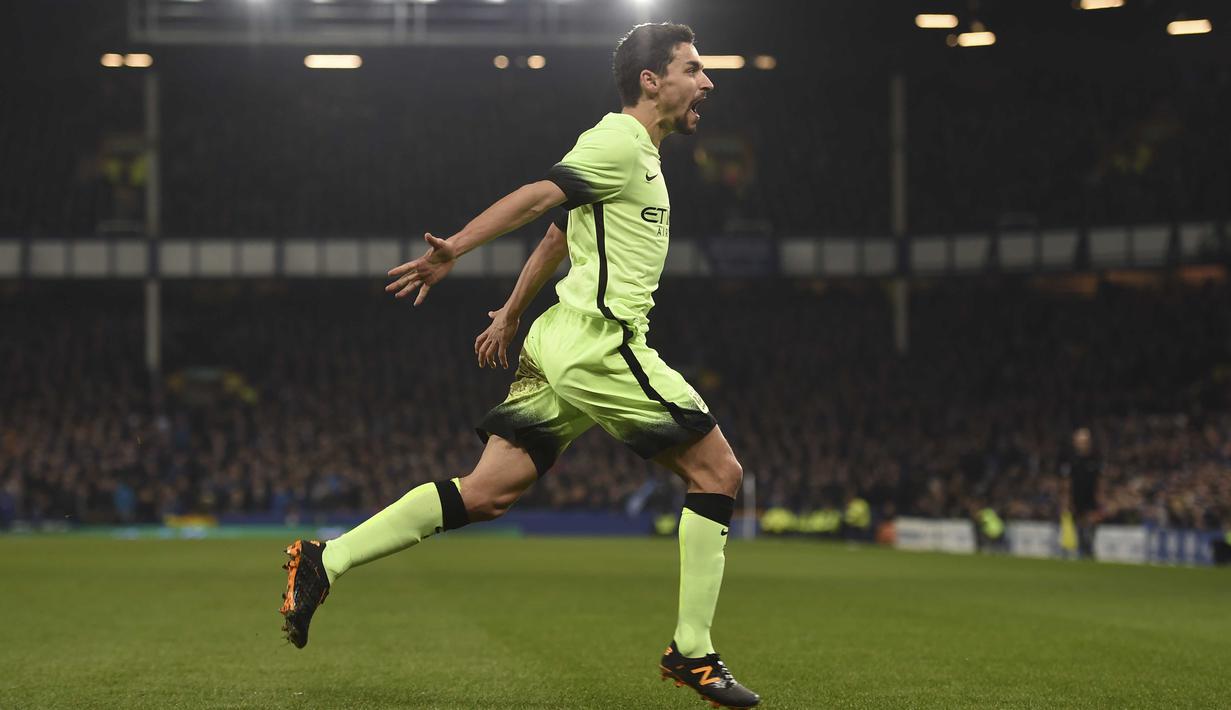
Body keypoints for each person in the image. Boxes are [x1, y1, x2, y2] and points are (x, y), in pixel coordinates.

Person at [277, 23, 760, 709]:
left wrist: (509, 310)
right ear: (651, 82)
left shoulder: (637, 155)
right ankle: (692, 652)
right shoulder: (618, 141)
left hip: (556, 340)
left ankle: (327, 558)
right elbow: (540, 196)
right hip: (602, 345)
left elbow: (562, 231)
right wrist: (458, 249)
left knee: (485, 493)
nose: (705, 81)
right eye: (691, 68)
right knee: (719, 473)